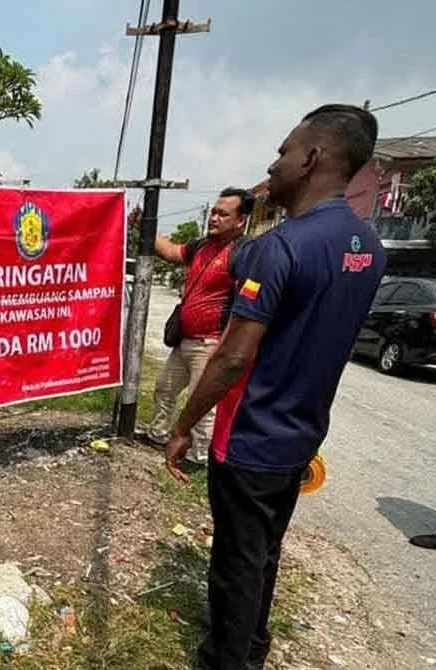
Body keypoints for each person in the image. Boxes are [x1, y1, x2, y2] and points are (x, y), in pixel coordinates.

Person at [165, 104, 385, 669]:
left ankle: (227, 658)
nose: (275, 162)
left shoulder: (280, 247)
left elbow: (233, 356)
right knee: (264, 551)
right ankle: (255, 646)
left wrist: (185, 425)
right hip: (302, 434)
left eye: (284, 150)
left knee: (237, 560)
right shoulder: (369, 248)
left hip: (250, 437)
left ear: (312, 158)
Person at [145, 188, 254, 466]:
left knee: (202, 404)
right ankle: (157, 436)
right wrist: (143, 223)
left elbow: (246, 303)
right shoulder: (201, 246)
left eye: (223, 214)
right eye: (213, 212)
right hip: (185, 340)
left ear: (240, 221)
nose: (214, 218)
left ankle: (198, 457)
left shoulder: (243, 254)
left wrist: (226, 345)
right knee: (165, 388)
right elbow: (170, 251)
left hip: (211, 344)